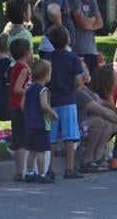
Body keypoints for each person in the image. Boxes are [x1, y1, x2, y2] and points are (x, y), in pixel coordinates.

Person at [44, 25, 85, 179]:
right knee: (70, 136)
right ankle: (69, 167)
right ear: (67, 39)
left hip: (51, 101)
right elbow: (79, 80)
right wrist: (74, 87)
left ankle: (49, 168)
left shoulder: (47, 58)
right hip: (68, 99)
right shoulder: (73, 58)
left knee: (52, 137)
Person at [22, 59, 58, 184]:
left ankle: (29, 172)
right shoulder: (44, 90)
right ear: (46, 75)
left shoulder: (29, 89)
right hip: (41, 125)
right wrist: (53, 113)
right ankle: (42, 174)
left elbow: (22, 105)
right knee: (41, 151)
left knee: (32, 151)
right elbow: (44, 105)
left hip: (30, 125)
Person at [67, 0, 104, 77]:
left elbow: (100, 23)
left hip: (92, 50)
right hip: (78, 48)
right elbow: (82, 22)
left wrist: (90, 21)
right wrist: (91, 21)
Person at [8, 38, 33, 181]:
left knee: (18, 140)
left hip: (17, 107)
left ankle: (19, 170)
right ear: (26, 53)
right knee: (21, 140)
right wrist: (30, 90)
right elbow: (18, 89)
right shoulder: (23, 69)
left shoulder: (19, 66)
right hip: (19, 107)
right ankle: (21, 170)